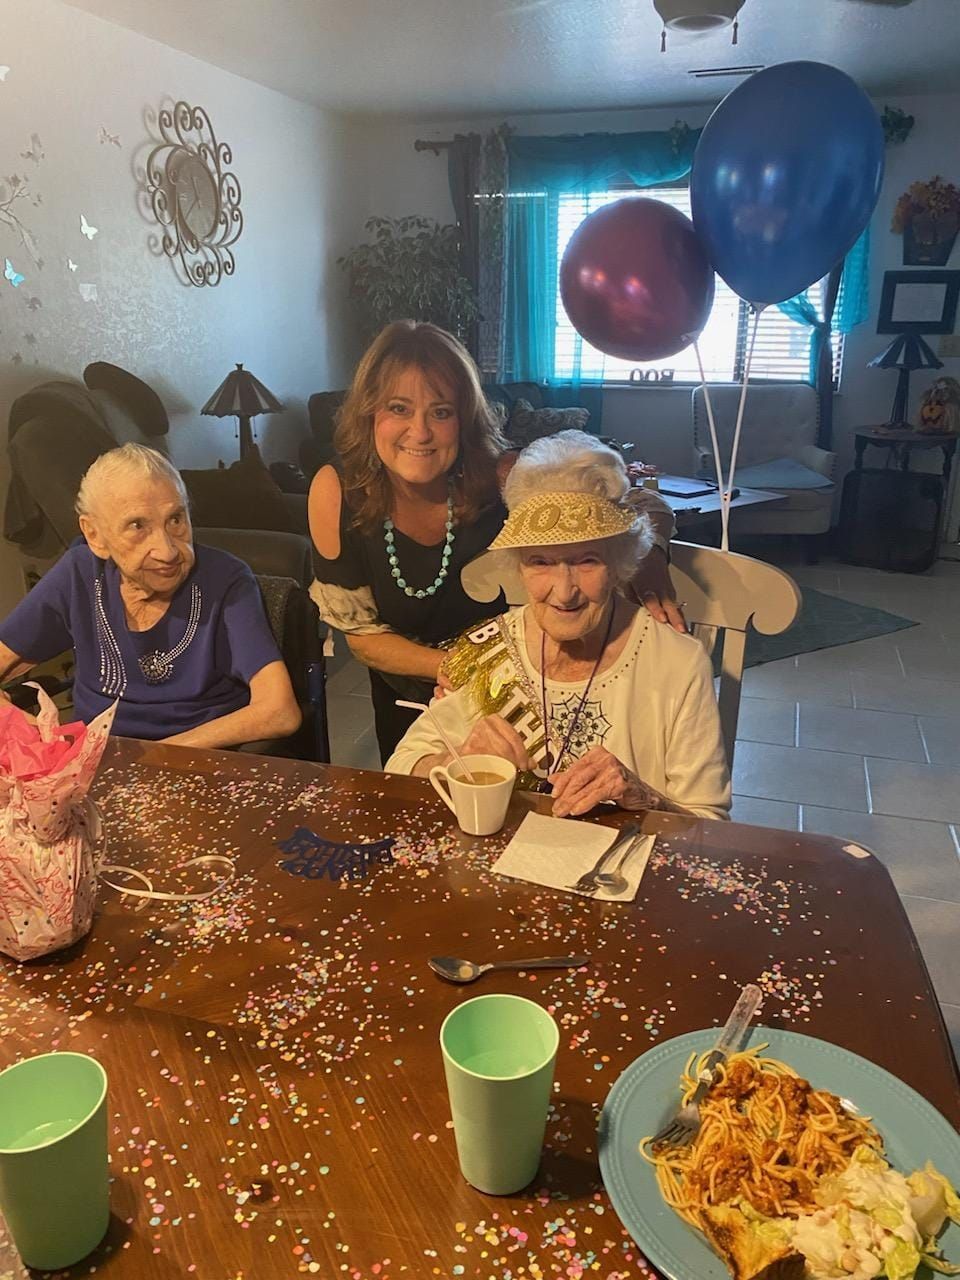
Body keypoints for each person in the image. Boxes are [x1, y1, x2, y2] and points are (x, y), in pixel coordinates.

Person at [308, 320, 681, 763]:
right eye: (399, 408)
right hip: (410, 705)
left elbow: (639, 498)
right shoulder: (338, 491)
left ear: (464, 420)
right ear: (369, 414)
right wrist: (462, 670)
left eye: (441, 411)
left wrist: (650, 556)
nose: (421, 432)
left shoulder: (505, 475)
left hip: (527, 699)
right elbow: (363, 638)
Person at [385, 431, 730, 821]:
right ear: (518, 565)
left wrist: (645, 797)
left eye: (586, 561)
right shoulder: (488, 650)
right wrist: (457, 758)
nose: (564, 593)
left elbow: (708, 826)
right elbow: (400, 767)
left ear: (619, 561)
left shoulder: (677, 663)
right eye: (541, 562)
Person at [0, 444, 301, 748]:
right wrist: (40, 735)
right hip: (92, 763)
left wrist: (151, 758)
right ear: (95, 536)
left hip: (198, 760)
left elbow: (279, 712)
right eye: (137, 526)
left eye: (176, 519)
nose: (168, 550)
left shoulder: (227, 581)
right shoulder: (79, 574)